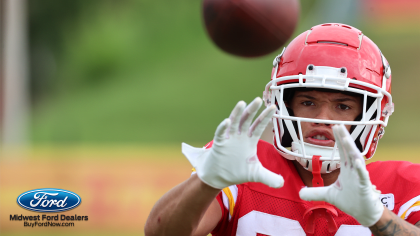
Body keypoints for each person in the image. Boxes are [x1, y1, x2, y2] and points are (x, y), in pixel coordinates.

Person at [144, 23, 420, 236]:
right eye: (308, 102)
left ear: (372, 113)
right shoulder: (245, 168)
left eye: (343, 107)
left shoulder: (403, 186)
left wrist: (378, 218)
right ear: (284, 106)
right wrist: (208, 180)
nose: (323, 118)